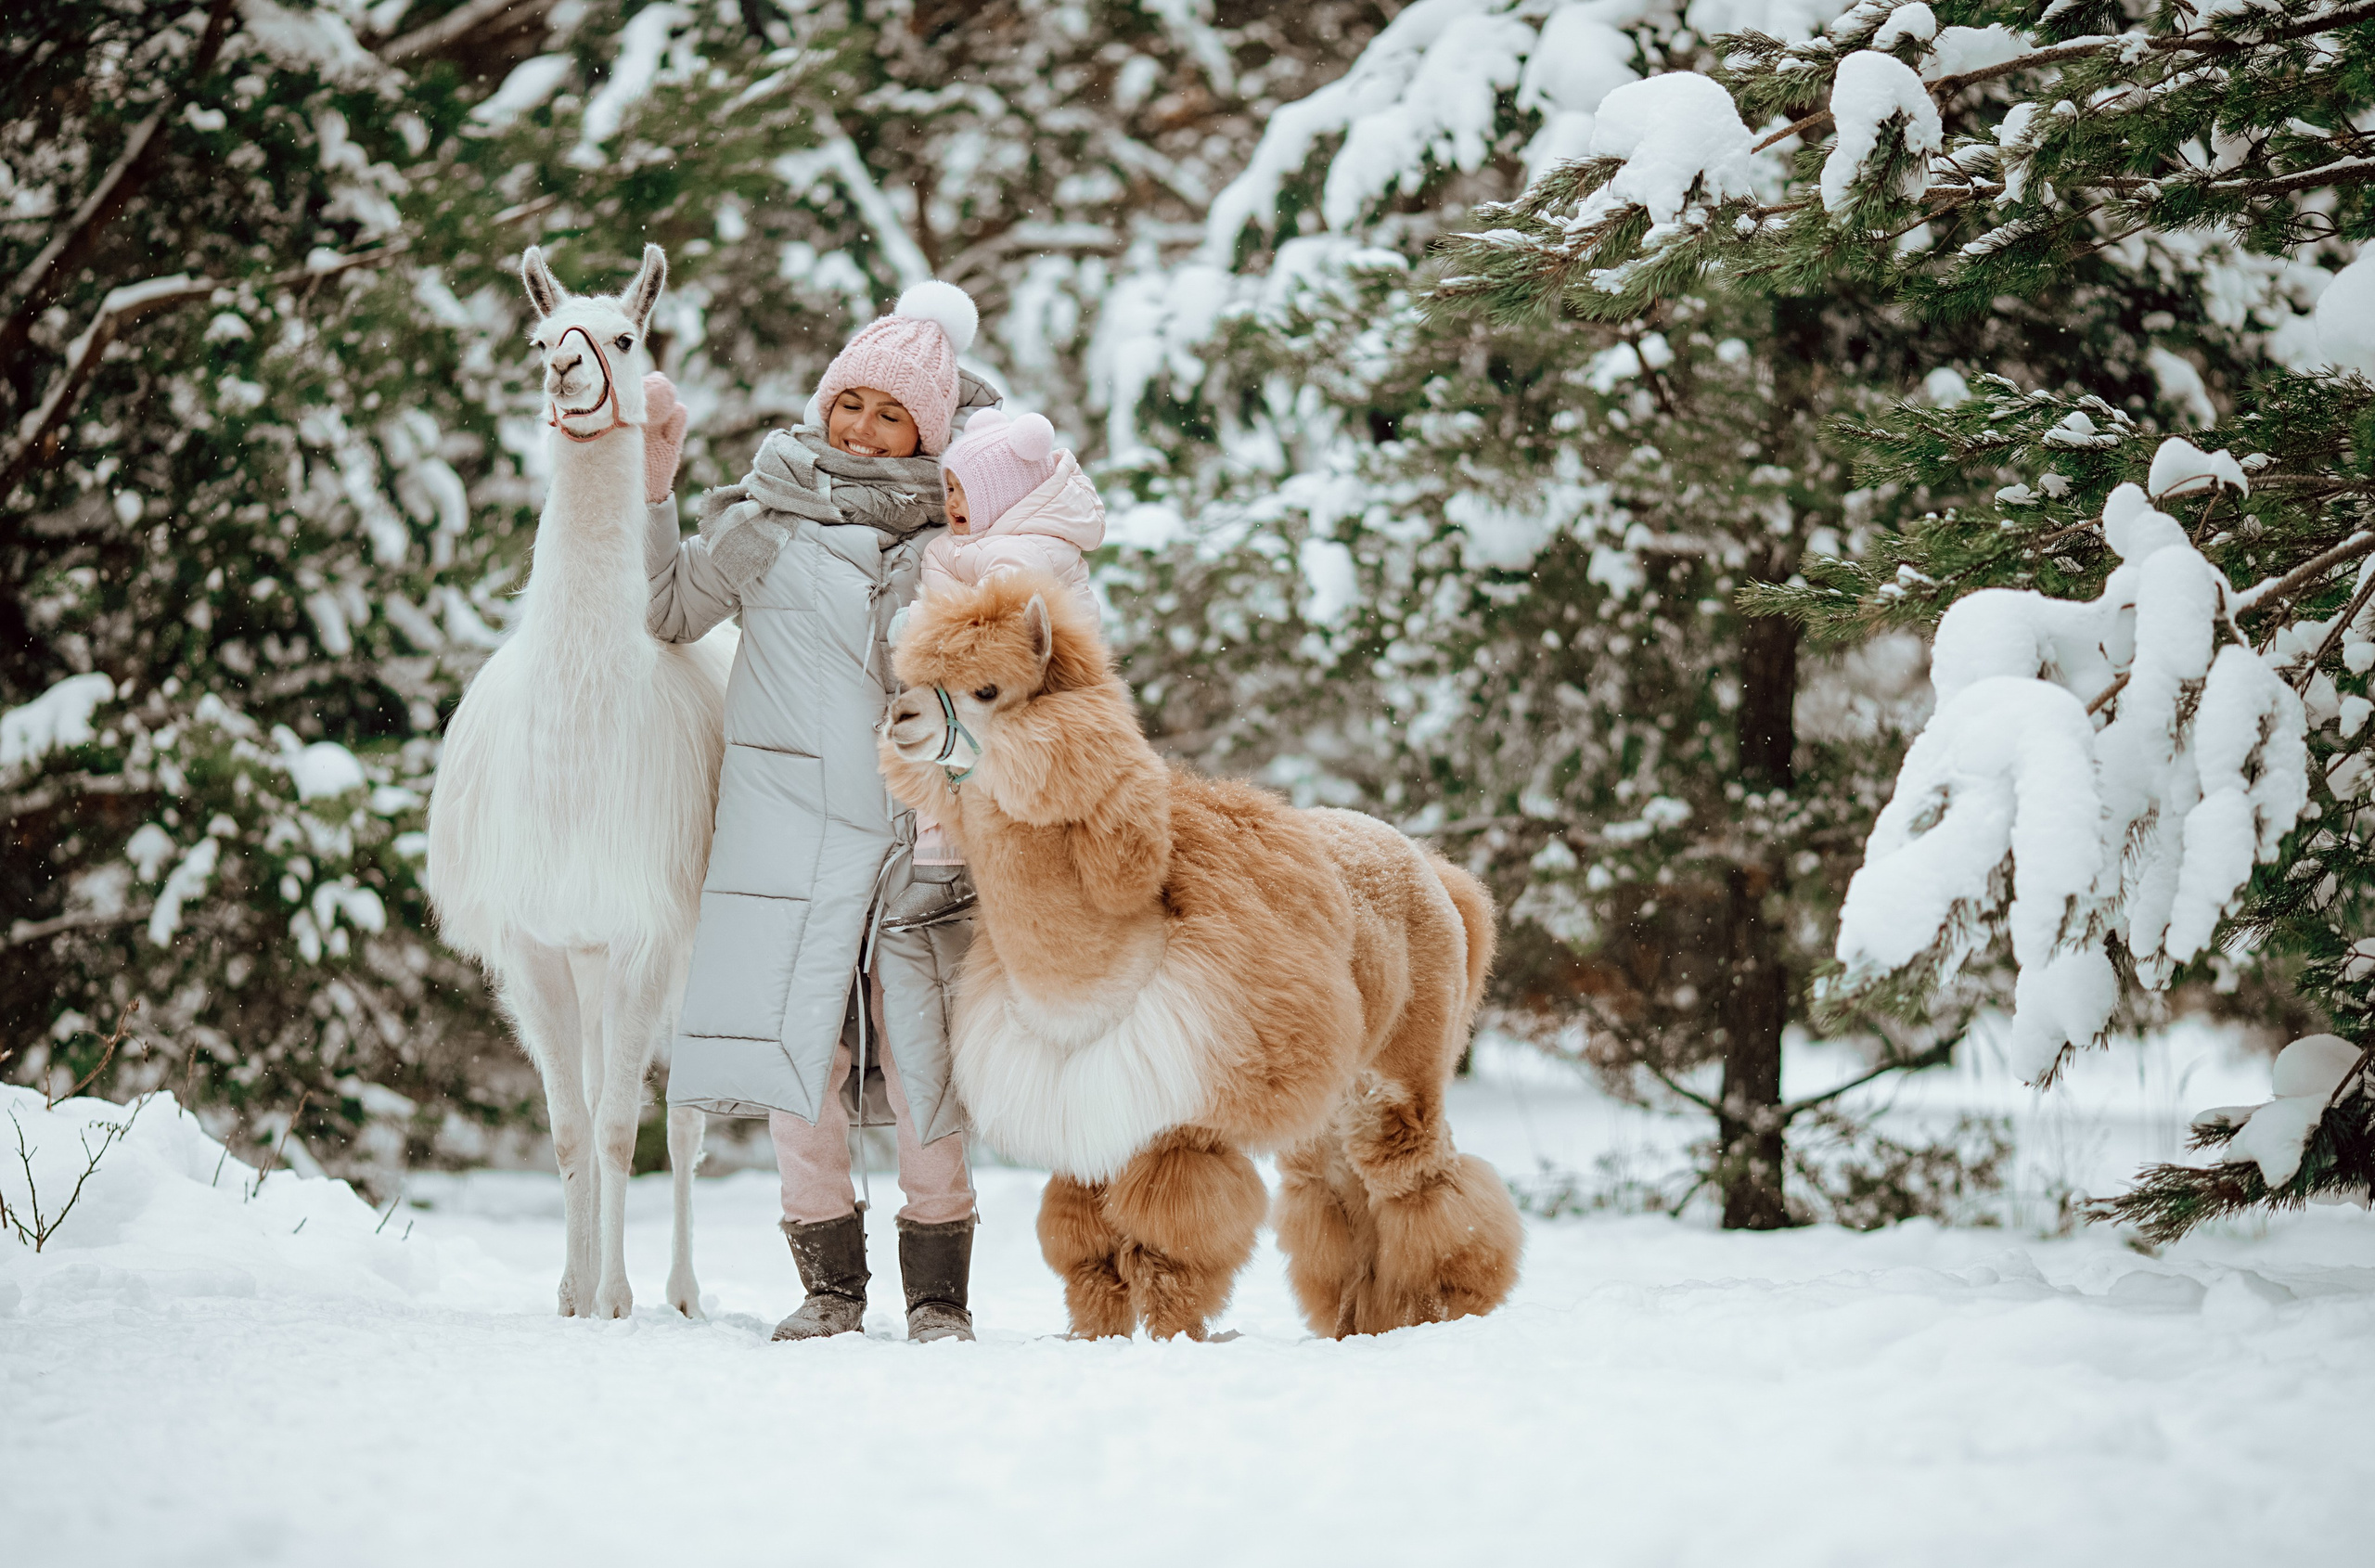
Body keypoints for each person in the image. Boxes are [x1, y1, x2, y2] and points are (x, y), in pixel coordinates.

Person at [638, 282, 995, 1343]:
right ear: (825, 398)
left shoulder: (958, 539)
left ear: (928, 433)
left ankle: (939, 1296)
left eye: (893, 416)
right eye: (852, 402)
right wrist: (651, 491)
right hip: (788, 835)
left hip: (916, 840)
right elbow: (670, 611)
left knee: (925, 1068)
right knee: (806, 1070)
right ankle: (830, 1286)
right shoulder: (768, 515)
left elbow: (1011, 666)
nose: (863, 430)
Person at [903, 407, 1106, 865]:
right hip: (997, 692)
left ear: (1003, 497)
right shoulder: (992, 542)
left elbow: (992, 626)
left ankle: (948, 857)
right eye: (949, 488)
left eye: (966, 492)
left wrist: (916, 623)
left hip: (1020, 694)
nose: (952, 502)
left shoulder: (1019, 550)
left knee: (967, 755)